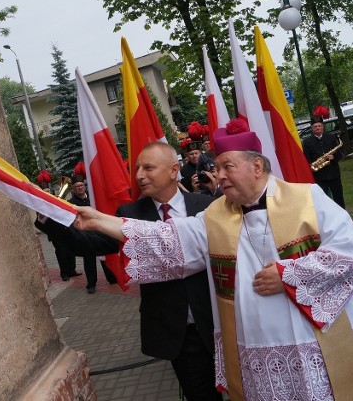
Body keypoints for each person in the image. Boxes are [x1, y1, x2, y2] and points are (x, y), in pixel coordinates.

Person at [73, 121, 353, 401]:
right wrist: (100, 220)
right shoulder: (216, 216)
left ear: (257, 166)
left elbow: (347, 254)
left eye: (228, 166)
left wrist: (287, 274)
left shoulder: (307, 198)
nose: (219, 175)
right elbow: (167, 238)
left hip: (320, 340)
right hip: (257, 346)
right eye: (217, 168)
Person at [38, 143, 221, 400]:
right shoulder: (129, 215)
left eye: (148, 168)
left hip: (220, 323)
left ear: (173, 170)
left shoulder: (208, 206)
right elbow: (86, 244)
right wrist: (48, 215)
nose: (139, 175)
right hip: (179, 332)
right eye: (137, 168)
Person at [66, 176, 117, 293]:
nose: (80, 188)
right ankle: (91, 284)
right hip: (85, 235)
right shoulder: (71, 203)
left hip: (99, 231)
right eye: (77, 187)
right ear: (73, 189)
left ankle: (111, 278)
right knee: (89, 260)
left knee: (104, 256)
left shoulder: (93, 197)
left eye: (81, 185)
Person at [302, 115, 345, 208]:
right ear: (312, 128)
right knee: (322, 201)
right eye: (315, 126)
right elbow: (306, 158)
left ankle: (343, 217)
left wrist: (333, 157)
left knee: (339, 198)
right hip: (319, 176)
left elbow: (339, 154)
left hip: (334, 174)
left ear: (323, 126)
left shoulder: (331, 137)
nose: (318, 128)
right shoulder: (307, 142)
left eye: (319, 126)